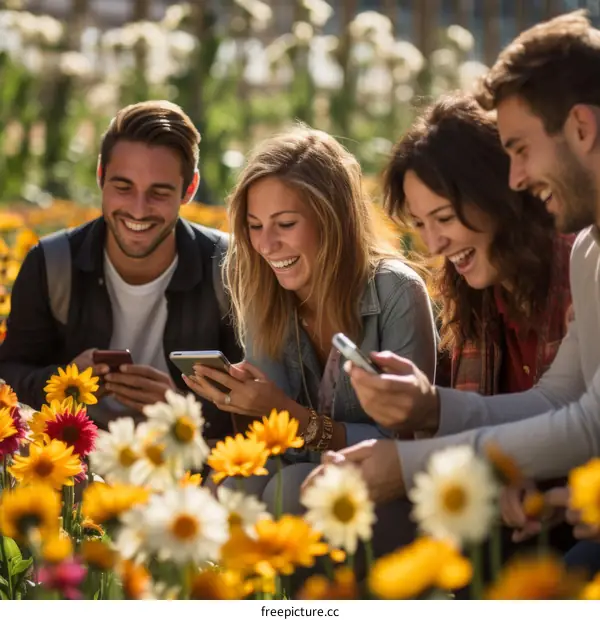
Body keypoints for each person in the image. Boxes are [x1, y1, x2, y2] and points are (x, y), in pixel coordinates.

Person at [304, 9, 600, 522]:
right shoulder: (588, 250)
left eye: (522, 150)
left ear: (581, 127)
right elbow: (560, 398)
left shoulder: (571, 253)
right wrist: (431, 410)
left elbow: (588, 427)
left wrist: (410, 464)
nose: (516, 178)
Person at [185, 124, 437, 539]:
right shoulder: (265, 291)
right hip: (302, 468)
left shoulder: (396, 291)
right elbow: (274, 441)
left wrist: (291, 416)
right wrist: (247, 406)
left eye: (284, 224)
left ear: (332, 218)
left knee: (289, 489)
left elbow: (402, 440)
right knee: (233, 487)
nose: (266, 245)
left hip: (391, 486)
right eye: (254, 225)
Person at [0, 100, 242, 440]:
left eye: (159, 192)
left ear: (189, 189)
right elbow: (8, 376)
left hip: (188, 463)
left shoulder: (229, 268)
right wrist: (67, 380)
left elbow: (258, 400)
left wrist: (178, 408)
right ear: (100, 175)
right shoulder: (50, 263)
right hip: (76, 458)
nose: (138, 210)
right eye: (123, 187)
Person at [385, 92, 574, 398]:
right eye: (420, 223)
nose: (433, 246)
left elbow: (571, 418)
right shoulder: (473, 302)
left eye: (444, 218)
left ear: (498, 197)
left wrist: (435, 409)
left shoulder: (578, 273)